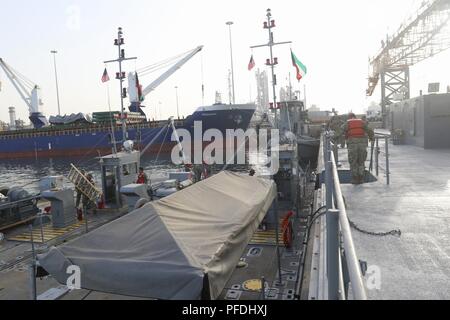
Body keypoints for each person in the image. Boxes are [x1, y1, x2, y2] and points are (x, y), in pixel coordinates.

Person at [341, 113, 374, 185]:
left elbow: (340, 131)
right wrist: (372, 138)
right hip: (362, 144)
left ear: (349, 117)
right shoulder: (362, 122)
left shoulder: (347, 123)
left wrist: (334, 138)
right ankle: (361, 178)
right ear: (355, 117)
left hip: (352, 145)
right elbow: (370, 130)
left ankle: (355, 179)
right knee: (361, 162)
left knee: (353, 162)